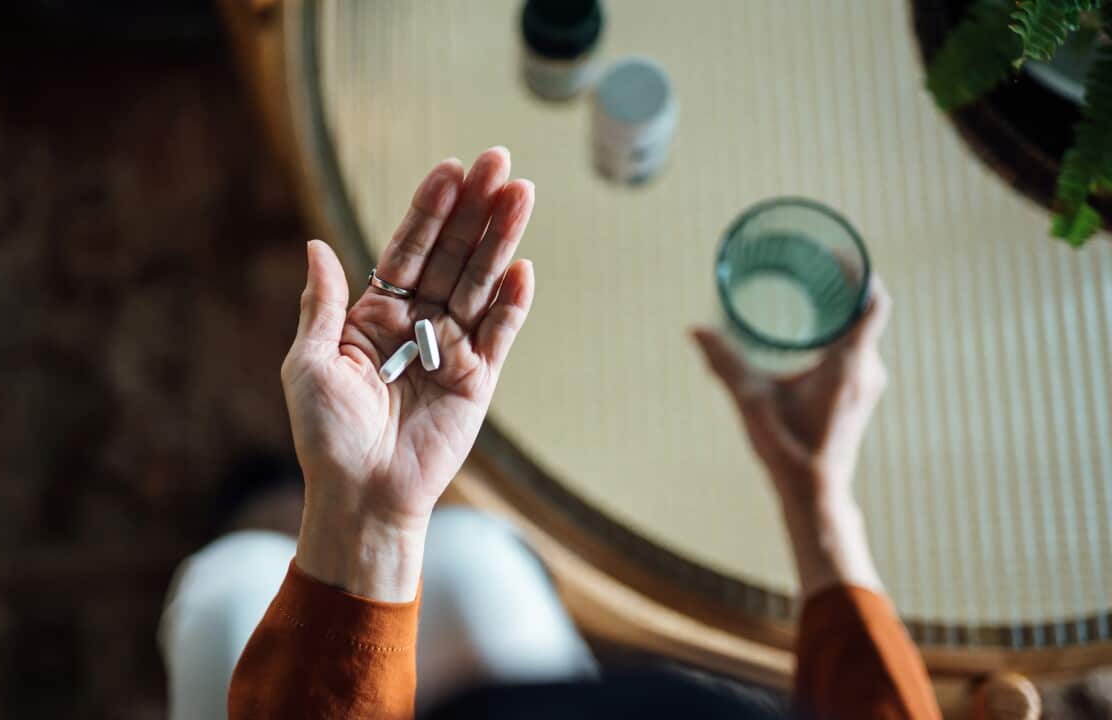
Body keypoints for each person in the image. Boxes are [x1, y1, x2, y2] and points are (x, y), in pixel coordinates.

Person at [158, 147, 941, 719]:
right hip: (535, 700)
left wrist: (357, 519)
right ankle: (285, 524)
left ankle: (264, 525)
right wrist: (817, 493)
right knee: (473, 556)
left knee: (226, 588)